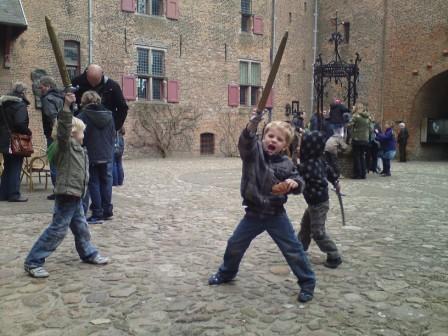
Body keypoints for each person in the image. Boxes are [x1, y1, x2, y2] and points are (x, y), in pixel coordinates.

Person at [208, 111, 316, 303]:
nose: (273, 140)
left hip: (276, 215)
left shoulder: (286, 163)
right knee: (235, 244)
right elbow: (246, 141)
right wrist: (252, 124)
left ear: (285, 145)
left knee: (293, 249)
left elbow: (299, 180)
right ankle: (227, 273)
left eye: (279, 139)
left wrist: (293, 183)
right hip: (253, 213)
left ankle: (307, 282)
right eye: (270, 136)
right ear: (263, 137)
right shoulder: (253, 153)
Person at [24, 92, 109, 278]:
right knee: (58, 229)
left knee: (81, 227)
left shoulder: (79, 148)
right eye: (82, 131)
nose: (84, 134)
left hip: (76, 195)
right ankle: (33, 261)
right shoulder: (66, 144)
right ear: (72, 133)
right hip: (67, 194)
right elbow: (63, 129)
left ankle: (88, 253)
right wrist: (66, 107)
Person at [298, 131, 343, 269]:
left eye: (302, 144)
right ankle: (299, 248)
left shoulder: (306, 166)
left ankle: (334, 255)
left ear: (309, 147)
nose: (300, 147)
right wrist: (335, 181)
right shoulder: (320, 160)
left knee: (317, 232)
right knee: (305, 226)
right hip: (314, 203)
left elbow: (294, 174)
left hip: (318, 203)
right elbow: (330, 171)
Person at [77, 91, 115, 224]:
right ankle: (107, 210)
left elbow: (80, 137)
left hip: (91, 154)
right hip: (106, 153)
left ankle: (97, 213)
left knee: (94, 182)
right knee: (106, 182)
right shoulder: (109, 115)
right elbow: (112, 135)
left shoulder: (82, 116)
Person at [0, 83, 32, 202]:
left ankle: (3, 194)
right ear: (22, 92)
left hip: (4, 139)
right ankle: (14, 194)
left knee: (8, 167)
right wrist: (28, 132)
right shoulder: (20, 105)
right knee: (15, 166)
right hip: (15, 140)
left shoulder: (3, 105)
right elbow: (20, 123)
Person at [72, 64, 128, 131]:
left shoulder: (112, 86)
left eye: (96, 82)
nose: (93, 85)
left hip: (106, 126)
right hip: (82, 127)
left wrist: (115, 127)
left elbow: (123, 108)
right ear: (86, 74)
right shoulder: (76, 83)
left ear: (102, 74)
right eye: (91, 81)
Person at [39, 76, 64, 200]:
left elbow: (52, 117)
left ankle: (58, 191)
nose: (40, 88)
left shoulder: (47, 99)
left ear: (48, 86)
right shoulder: (61, 97)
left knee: (54, 163)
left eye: (42, 86)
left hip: (54, 135)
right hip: (64, 133)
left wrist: (55, 134)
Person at [349, 103, 372, 179]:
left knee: (357, 157)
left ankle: (358, 174)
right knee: (362, 156)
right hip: (365, 139)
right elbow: (371, 128)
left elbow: (349, 124)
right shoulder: (368, 117)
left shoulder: (356, 116)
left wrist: (352, 114)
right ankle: (363, 174)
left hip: (357, 139)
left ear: (357, 108)